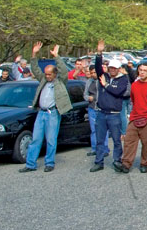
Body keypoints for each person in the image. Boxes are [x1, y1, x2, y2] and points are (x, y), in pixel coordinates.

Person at [18, 42, 72, 173]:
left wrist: (56, 57)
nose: (47, 76)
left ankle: (49, 162)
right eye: (46, 74)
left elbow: (64, 71)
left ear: (54, 74)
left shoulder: (60, 82)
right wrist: (34, 54)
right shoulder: (43, 80)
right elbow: (35, 69)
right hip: (41, 113)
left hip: (52, 113)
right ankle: (30, 164)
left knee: (51, 139)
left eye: (49, 74)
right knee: (36, 139)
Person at [91, 39, 130, 173]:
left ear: (118, 69)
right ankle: (99, 161)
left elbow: (118, 92)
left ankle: (117, 160)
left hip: (114, 114)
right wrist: (99, 53)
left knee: (117, 140)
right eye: (110, 68)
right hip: (101, 113)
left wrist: (106, 85)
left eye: (114, 68)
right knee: (100, 139)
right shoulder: (104, 76)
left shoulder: (123, 79)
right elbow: (97, 67)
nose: (112, 70)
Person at [118, 62, 147, 173]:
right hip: (135, 116)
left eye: (145, 70)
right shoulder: (134, 85)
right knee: (129, 141)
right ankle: (126, 164)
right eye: (141, 70)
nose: (142, 72)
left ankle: (145, 163)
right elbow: (133, 100)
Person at [84, 65, 106, 157]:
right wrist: (87, 98)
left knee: (103, 130)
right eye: (91, 73)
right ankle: (94, 148)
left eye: (94, 72)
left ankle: (104, 149)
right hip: (92, 107)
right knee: (93, 130)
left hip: (102, 108)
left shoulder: (103, 80)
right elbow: (85, 94)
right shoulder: (89, 82)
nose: (93, 74)